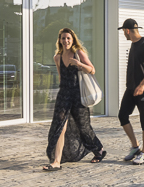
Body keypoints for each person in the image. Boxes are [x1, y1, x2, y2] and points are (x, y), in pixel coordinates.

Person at [43, 27, 105, 171]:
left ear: (73, 40)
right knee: (60, 127)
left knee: (83, 126)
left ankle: (99, 149)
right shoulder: (57, 57)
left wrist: (79, 64)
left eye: (68, 38)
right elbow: (61, 76)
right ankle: (56, 161)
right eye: (63, 38)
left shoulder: (78, 53)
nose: (66, 41)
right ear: (59, 40)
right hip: (64, 95)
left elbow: (92, 70)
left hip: (78, 96)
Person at [118, 18, 144, 165]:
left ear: (127, 31)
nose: (123, 34)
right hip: (131, 88)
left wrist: (142, 85)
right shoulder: (133, 45)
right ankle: (135, 147)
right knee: (122, 115)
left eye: (123, 31)